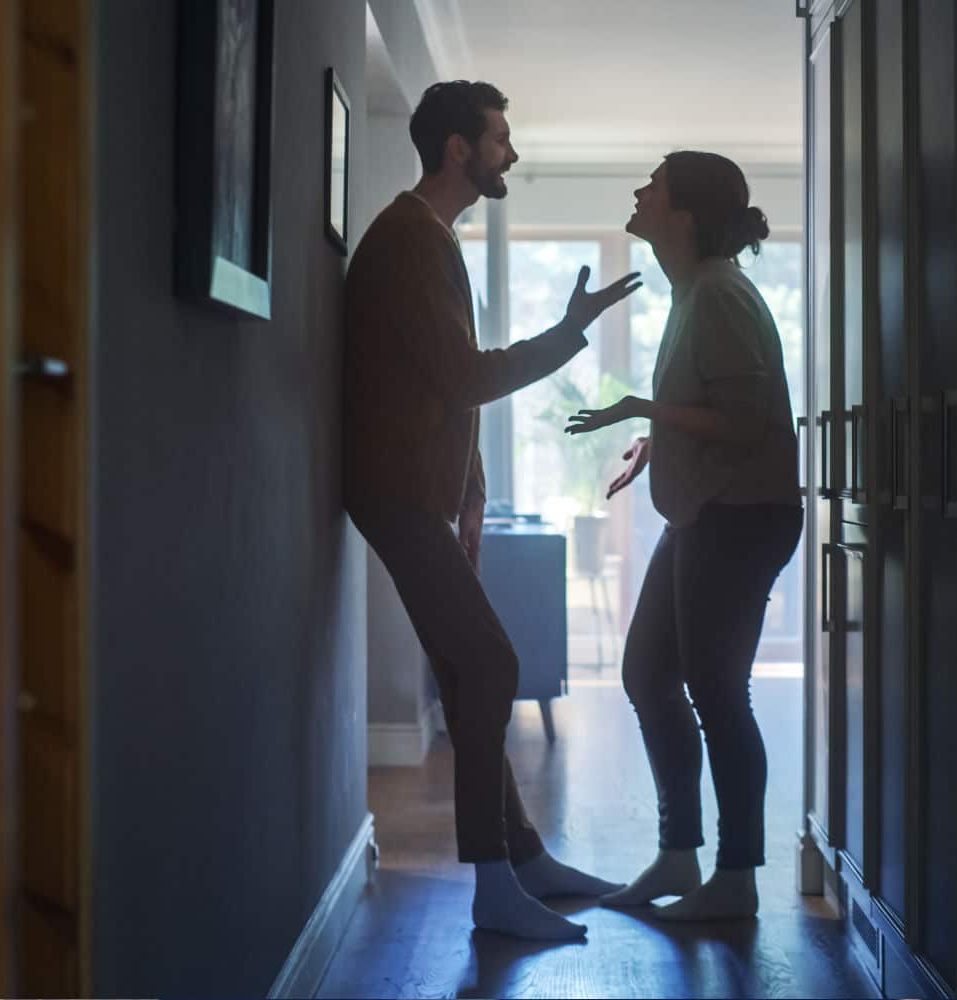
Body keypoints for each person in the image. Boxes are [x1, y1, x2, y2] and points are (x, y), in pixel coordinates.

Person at [343, 81, 641, 940]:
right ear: (458, 150)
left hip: (415, 495)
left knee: (472, 670)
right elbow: (466, 378)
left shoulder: (430, 237)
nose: (512, 152)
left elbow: (442, 383)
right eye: (501, 138)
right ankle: (495, 890)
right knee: (495, 665)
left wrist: (470, 494)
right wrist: (569, 330)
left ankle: (526, 860)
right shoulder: (410, 240)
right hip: (394, 494)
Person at [564, 151, 802, 920]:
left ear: (685, 214)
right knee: (647, 675)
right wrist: (661, 442)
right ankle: (678, 856)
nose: (639, 190)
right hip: (708, 512)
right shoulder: (695, 291)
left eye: (654, 185)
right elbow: (717, 410)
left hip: (741, 517)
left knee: (715, 692)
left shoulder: (719, 295)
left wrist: (642, 410)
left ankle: (735, 880)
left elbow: (750, 423)